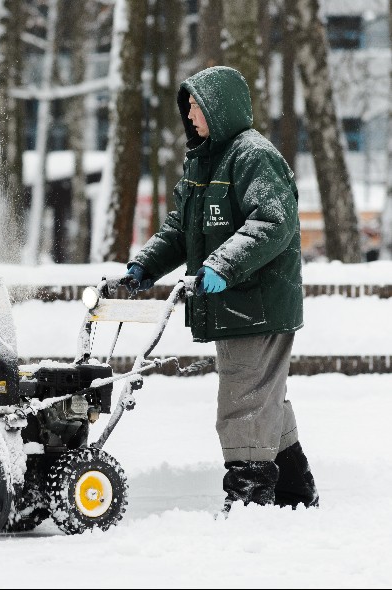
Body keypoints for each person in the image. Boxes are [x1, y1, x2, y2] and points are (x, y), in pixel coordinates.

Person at [125, 66, 319, 513]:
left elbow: (272, 223)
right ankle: (293, 491)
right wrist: (144, 266)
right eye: (188, 107)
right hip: (236, 302)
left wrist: (221, 265)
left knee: (243, 397)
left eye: (197, 106)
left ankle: (249, 498)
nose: (190, 115)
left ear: (220, 107)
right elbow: (181, 228)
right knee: (262, 394)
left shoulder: (254, 156)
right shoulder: (204, 161)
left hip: (258, 301)